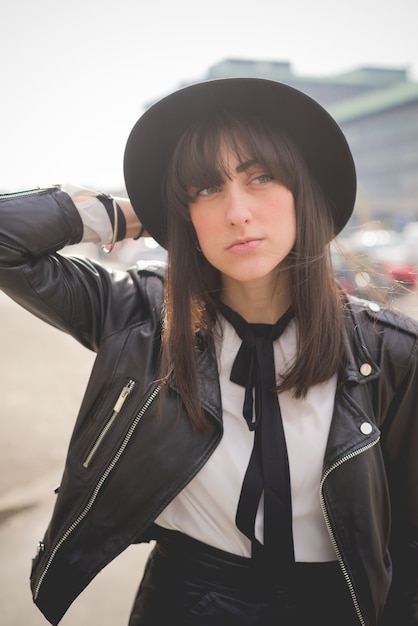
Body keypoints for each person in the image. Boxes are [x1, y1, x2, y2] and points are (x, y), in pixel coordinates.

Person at [0, 78, 417, 626]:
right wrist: (126, 213)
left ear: (304, 193)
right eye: (203, 189)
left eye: (261, 178)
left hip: (340, 603)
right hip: (186, 599)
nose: (237, 212)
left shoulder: (390, 353)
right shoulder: (142, 314)